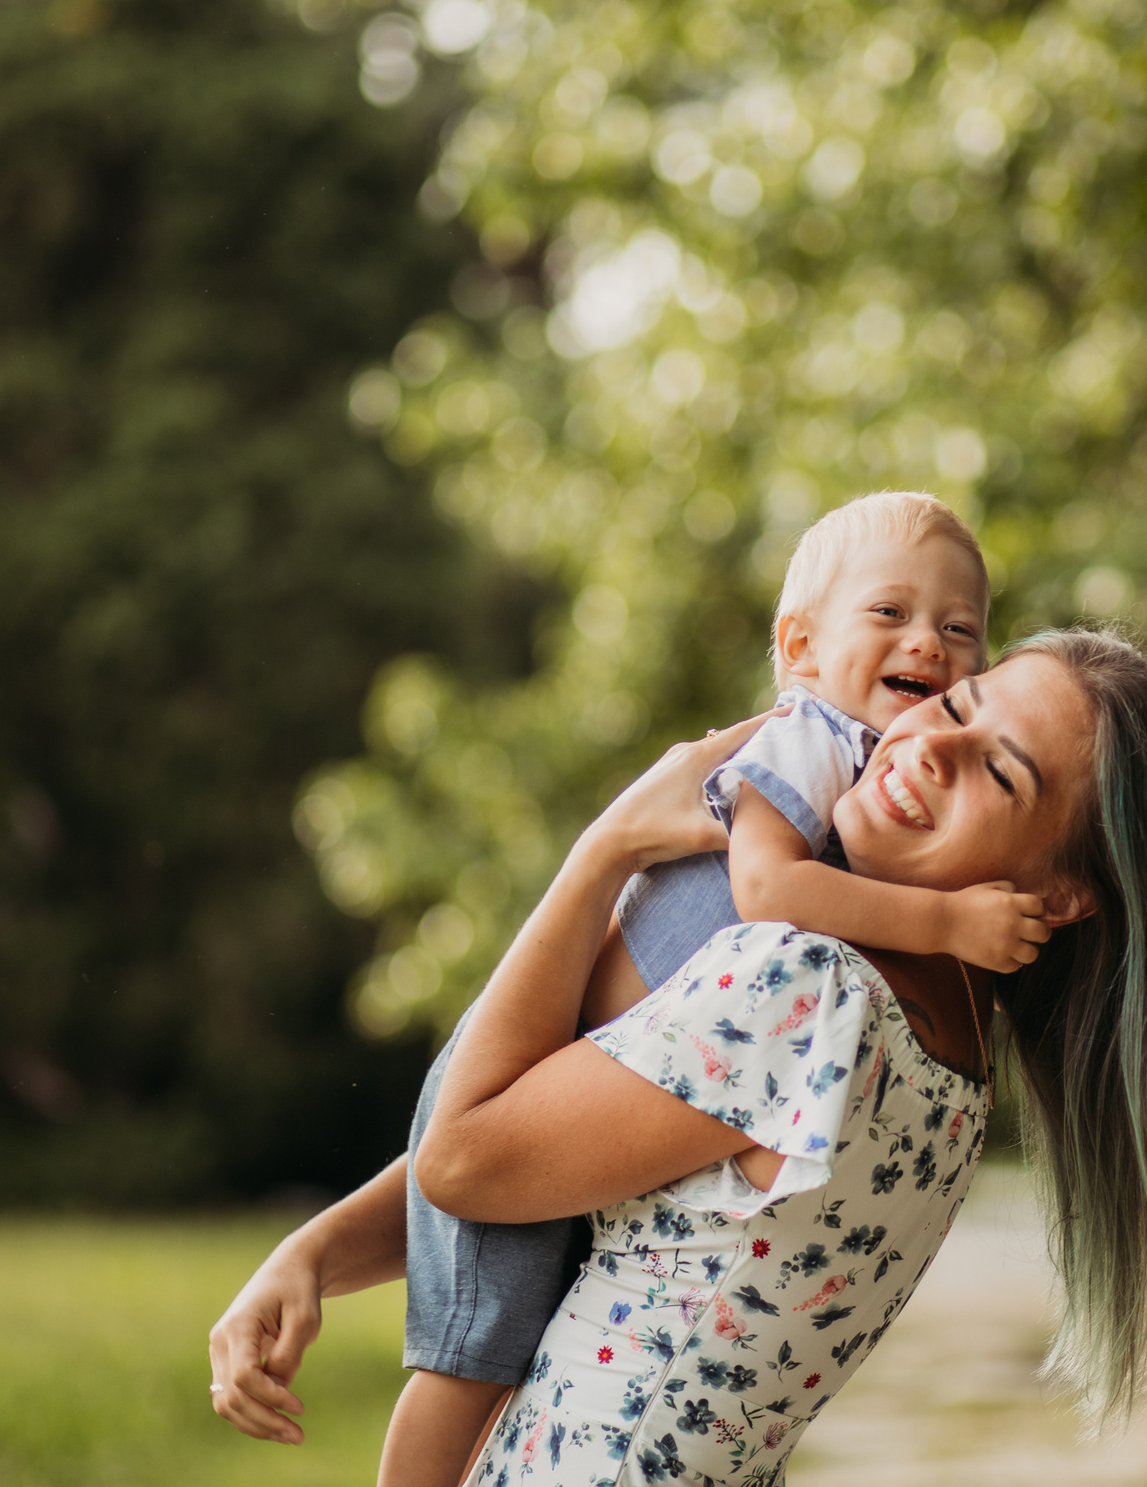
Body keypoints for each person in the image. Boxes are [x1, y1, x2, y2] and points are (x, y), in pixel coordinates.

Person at [210, 628, 1147, 1484]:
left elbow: (466, 1159)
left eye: (997, 775)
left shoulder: (808, 994)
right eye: (953, 706)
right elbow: (570, 1138)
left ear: (1061, 897)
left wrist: (607, 850)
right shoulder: (953, 1058)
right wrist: (315, 1255)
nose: (928, 748)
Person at [382, 492, 1060, 1485]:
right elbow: (766, 887)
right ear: (800, 648)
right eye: (890, 614)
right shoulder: (802, 749)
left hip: (583, 1085)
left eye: (960, 632)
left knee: (495, 1356)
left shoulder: (861, 868)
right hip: (548, 1060)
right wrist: (949, 922)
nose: (929, 642)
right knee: (467, 1360)